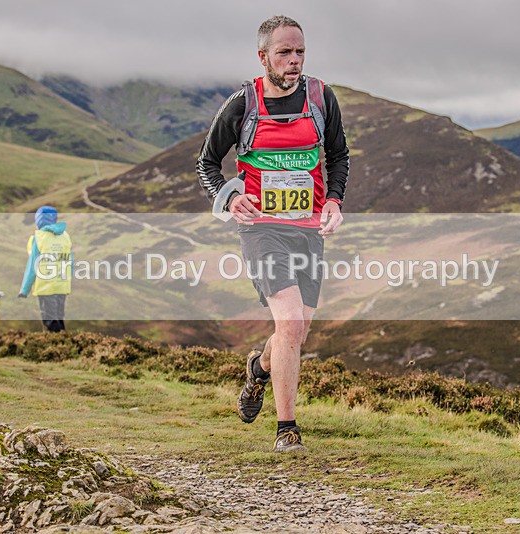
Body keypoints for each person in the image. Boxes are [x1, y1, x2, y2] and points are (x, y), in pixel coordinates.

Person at [197, 15, 349, 452]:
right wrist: (229, 198)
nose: (294, 60)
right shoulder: (243, 104)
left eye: (300, 51)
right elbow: (206, 163)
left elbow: (338, 155)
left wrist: (334, 201)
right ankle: (287, 429)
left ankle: (258, 369)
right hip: (262, 229)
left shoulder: (321, 98)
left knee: (296, 333)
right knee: (289, 321)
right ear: (263, 56)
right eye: (284, 52)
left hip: (308, 231)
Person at [18, 206, 73, 333]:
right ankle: (66, 345)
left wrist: (24, 290)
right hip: (62, 285)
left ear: (38, 220)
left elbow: (32, 266)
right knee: (59, 318)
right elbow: (71, 261)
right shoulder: (65, 236)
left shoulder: (39, 238)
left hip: (46, 286)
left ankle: (56, 347)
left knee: (50, 321)